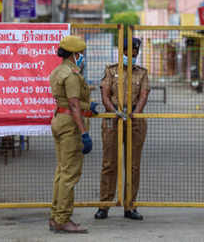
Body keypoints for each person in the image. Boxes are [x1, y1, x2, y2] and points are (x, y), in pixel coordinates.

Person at [95, 37, 150, 220]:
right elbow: (105, 95)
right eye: (128, 53)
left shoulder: (142, 73)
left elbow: (143, 94)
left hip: (134, 121)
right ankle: (105, 204)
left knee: (133, 165)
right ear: (121, 52)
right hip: (113, 121)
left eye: (134, 54)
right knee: (109, 163)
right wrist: (115, 112)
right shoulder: (111, 71)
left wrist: (136, 112)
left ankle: (130, 205)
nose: (131, 56)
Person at [49, 35, 99, 233]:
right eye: (81, 54)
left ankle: (55, 216)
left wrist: (88, 105)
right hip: (70, 124)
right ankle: (63, 219)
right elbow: (73, 104)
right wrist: (84, 133)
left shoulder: (57, 71)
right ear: (74, 54)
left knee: (61, 171)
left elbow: (68, 101)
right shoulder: (70, 75)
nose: (83, 57)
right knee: (70, 174)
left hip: (59, 120)